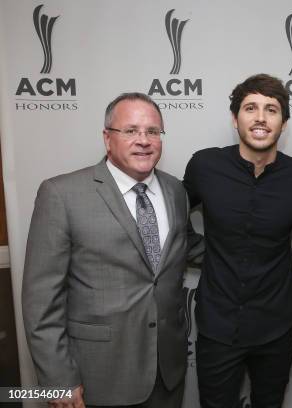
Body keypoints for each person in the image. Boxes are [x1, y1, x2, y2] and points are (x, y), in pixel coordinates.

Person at [22, 92, 204, 408]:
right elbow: (41, 300)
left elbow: (184, 248)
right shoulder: (61, 194)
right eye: (130, 130)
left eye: (152, 131)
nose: (143, 140)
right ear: (108, 138)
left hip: (168, 371)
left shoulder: (176, 190)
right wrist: (58, 381)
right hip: (99, 377)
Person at [183, 73, 292, 408]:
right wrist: (206, 253)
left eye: (271, 109)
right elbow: (172, 219)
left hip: (277, 325)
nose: (260, 117)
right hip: (217, 324)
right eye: (250, 107)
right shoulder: (205, 165)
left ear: (283, 123)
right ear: (235, 118)